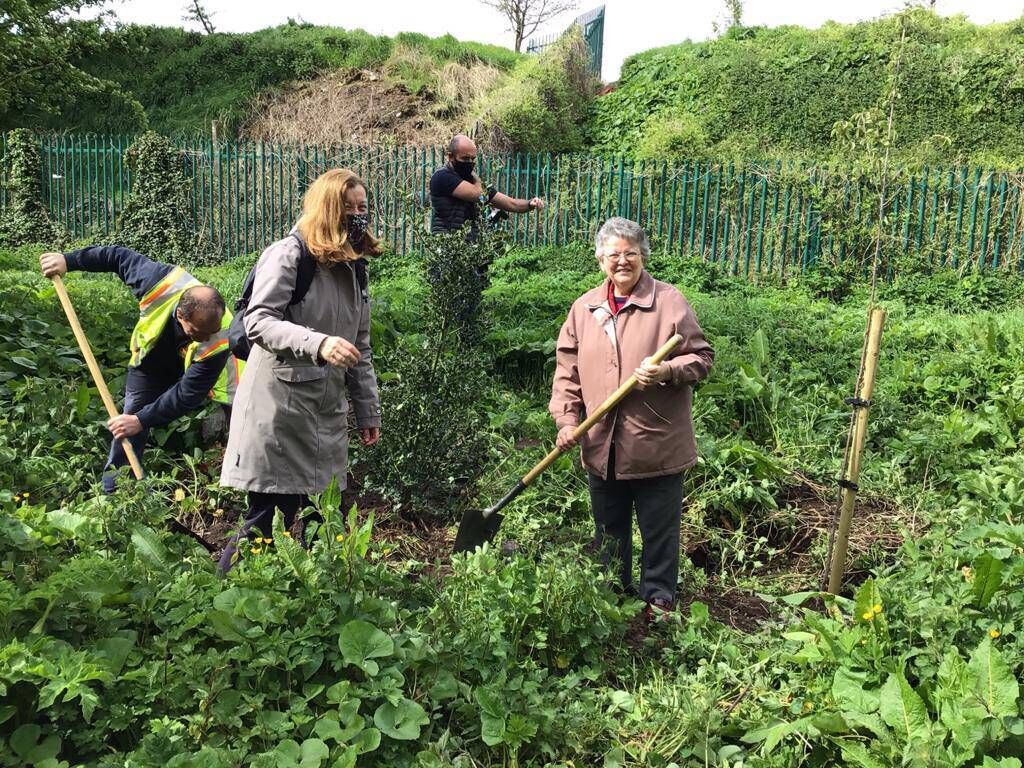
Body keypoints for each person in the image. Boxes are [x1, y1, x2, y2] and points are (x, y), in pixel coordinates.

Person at [549, 217, 714, 620]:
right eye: (613, 255)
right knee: (609, 529)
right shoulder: (585, 308)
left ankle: (658, 598)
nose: (622, 262)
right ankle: (611, 595)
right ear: (599, 259)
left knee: (659, 529)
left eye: (630, 254)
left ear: (643, 257)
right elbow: (567, 368)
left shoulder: (668, 301)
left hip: (656, 441)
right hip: (601, 442)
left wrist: (668, 372)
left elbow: (702, 357)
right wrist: (568, 420)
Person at [219, 168, 382, 572]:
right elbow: (258, 320)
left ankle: (313, 609)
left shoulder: (354, 267)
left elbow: (360, 345)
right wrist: (319, 343)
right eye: (349, 209)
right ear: (327, 210)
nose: (359, 216)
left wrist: (367, 411)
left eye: (363, 208)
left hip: (325, 415)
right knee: (265, 524)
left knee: (324, 522)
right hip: (279, 412)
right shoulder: (289, 255)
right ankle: (218, 599)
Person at [39, 245, 238, 493]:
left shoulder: (219, 337)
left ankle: (236, 484)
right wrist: (67, 260)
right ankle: (115, 494)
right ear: (180, 315)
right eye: (196, 333)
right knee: (128, 423)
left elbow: (188, 394)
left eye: (209, 332)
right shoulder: (158, 282)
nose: (203, 337)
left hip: (201, 372)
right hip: (151, 364)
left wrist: (143, 420)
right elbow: (116, 256)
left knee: (240, 422)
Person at [429, 134, 545, 238]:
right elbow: (479, 195)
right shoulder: (443, 177)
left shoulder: (472, 182)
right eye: (465, 158)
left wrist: (530, 203)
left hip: (469, 247)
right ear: (450, 157)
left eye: (472, 159)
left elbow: (511, 203)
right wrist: (473, 175)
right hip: (447, 246)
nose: (470, 163)